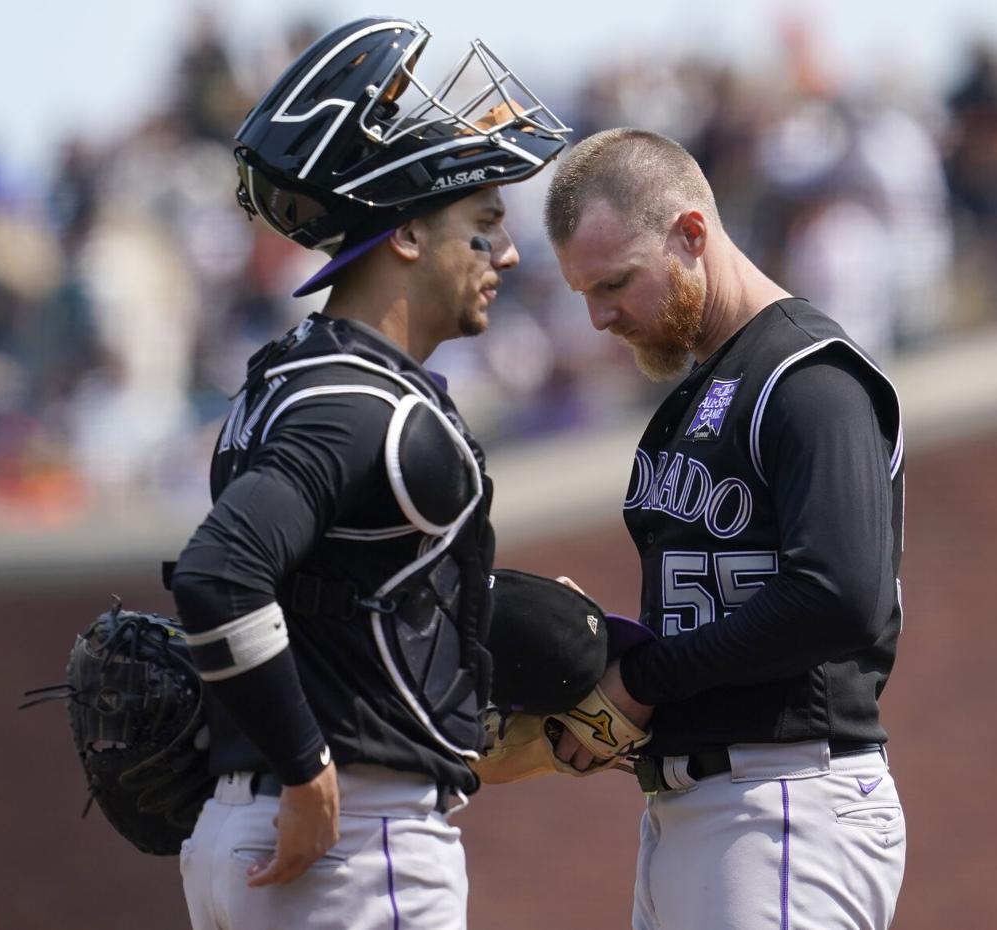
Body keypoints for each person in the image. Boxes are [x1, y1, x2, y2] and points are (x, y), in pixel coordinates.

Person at [169, 18, 567, 930]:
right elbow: (217, 575)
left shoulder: (290, 375)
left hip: (280, 835)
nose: (505, 254)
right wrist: (307, 770)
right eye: (483, 224)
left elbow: (344, 598)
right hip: (353, 841)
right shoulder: (364, 406)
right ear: (406, 237)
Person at [544, 128, 907, 930]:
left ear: (691, 235)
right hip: (702, 811)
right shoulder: (697, 393)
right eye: (583, 293)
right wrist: (598, 655)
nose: (600, 316)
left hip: (786, 806)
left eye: (615, 282)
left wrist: (643, 681)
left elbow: (839, 598)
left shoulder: (809, 378)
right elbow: (717, 615)